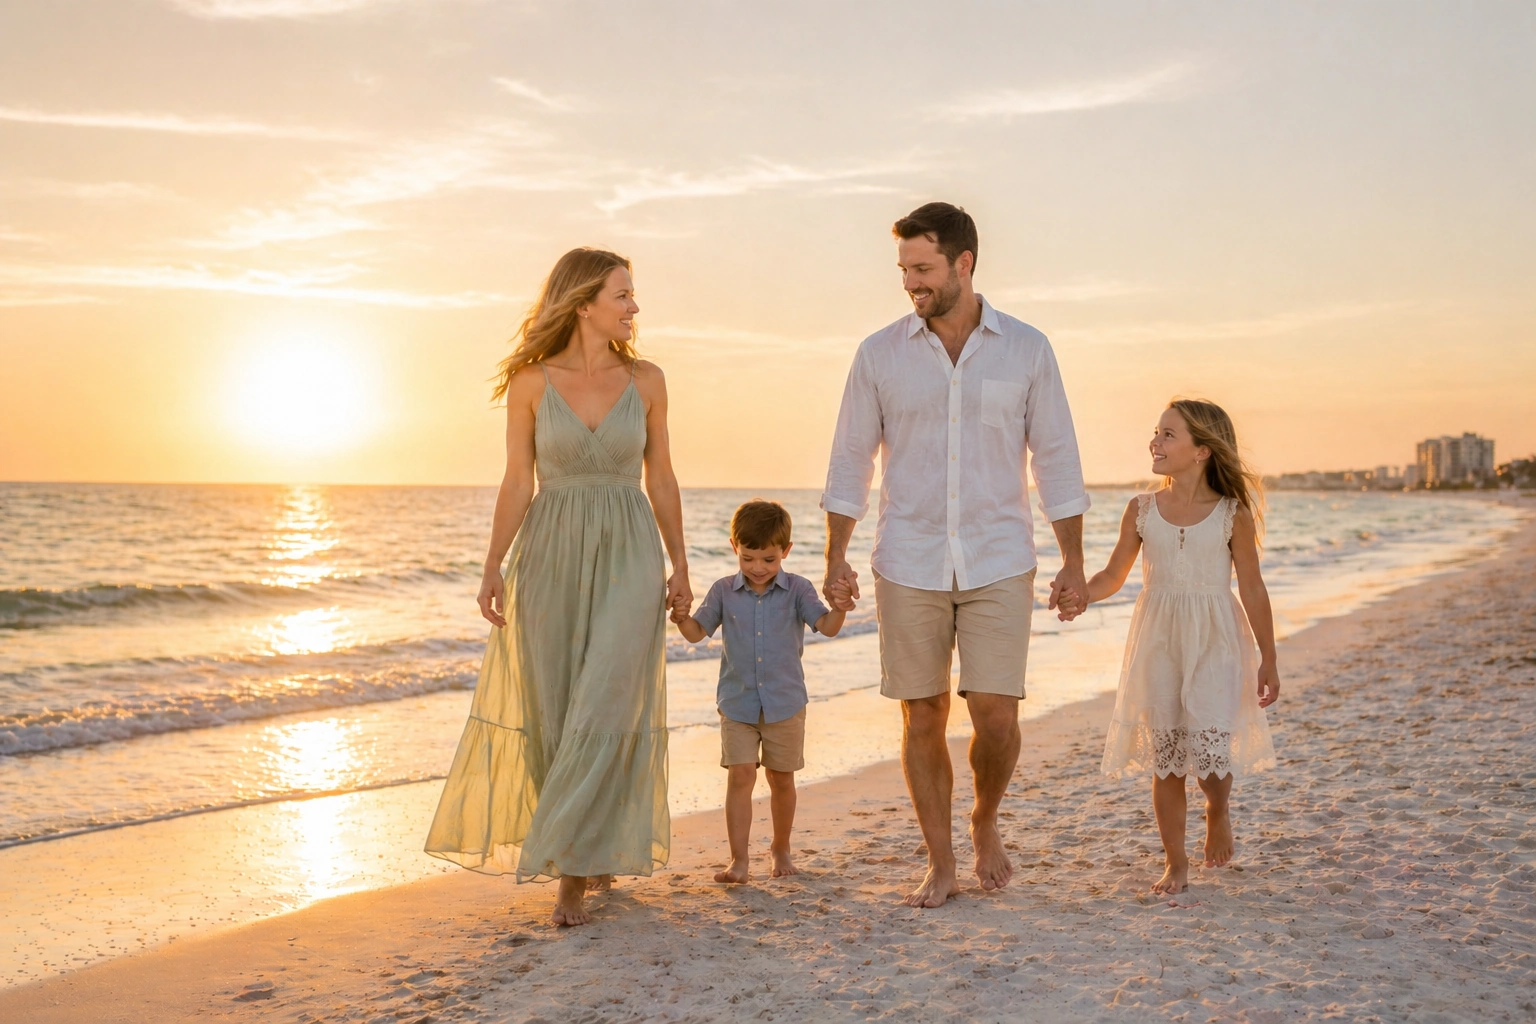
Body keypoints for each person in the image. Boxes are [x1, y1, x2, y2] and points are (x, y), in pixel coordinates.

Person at [821, 202, 1092, 909]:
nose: (910, 282)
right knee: (923, 714)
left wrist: (1072, 562)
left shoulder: (1027, 349)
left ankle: (984, 817)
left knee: (997, 713)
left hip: (999, 554)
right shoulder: (878, 354)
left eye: (922, 268)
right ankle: (940, 861)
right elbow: (850, 460)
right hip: (907, 556)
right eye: (904, 269)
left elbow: (1056, 457)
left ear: (963, 263)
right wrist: (836, 556)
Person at [424, 247, 691, 927]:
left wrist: (680, 564)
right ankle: (583, 850)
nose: (634, 307)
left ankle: (571, 869)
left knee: (607, 698)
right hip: (548, 553)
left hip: (629, 550)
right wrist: (492, 564)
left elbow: (661, 477)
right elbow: (518, 480)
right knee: (556, 705)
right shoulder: (531, 383)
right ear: (583, 303)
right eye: (622, 295)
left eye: (632, 294)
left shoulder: (649, 380)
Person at [1054, 399, 1278, 894]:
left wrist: (1269, 657)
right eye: (1156, 432)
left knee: (1211, 748)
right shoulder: (1141, 509)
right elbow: (1114, 575)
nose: (1154, 442)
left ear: (1202, 450)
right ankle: (1175, 862)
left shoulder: (1231, 514)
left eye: (1168, 434)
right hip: (1158, 642)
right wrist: (1081, 594)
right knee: (1168, 756)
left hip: (1216, 640)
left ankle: (1217, 808)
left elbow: (1253, 587)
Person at [673, 500, 854, 883]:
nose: (758, 567)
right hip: (737, 703)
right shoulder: (723, 591)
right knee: (740, 776)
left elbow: (827, 626)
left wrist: (840, 607)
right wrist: (681, 617)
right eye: (748, 558)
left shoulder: (798, 589)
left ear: (785, 551)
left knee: (781, 779)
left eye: (769, 559)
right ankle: (739, 860)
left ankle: (780, 848)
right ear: (734, 548)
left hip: (785, 704)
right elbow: (696, 634)